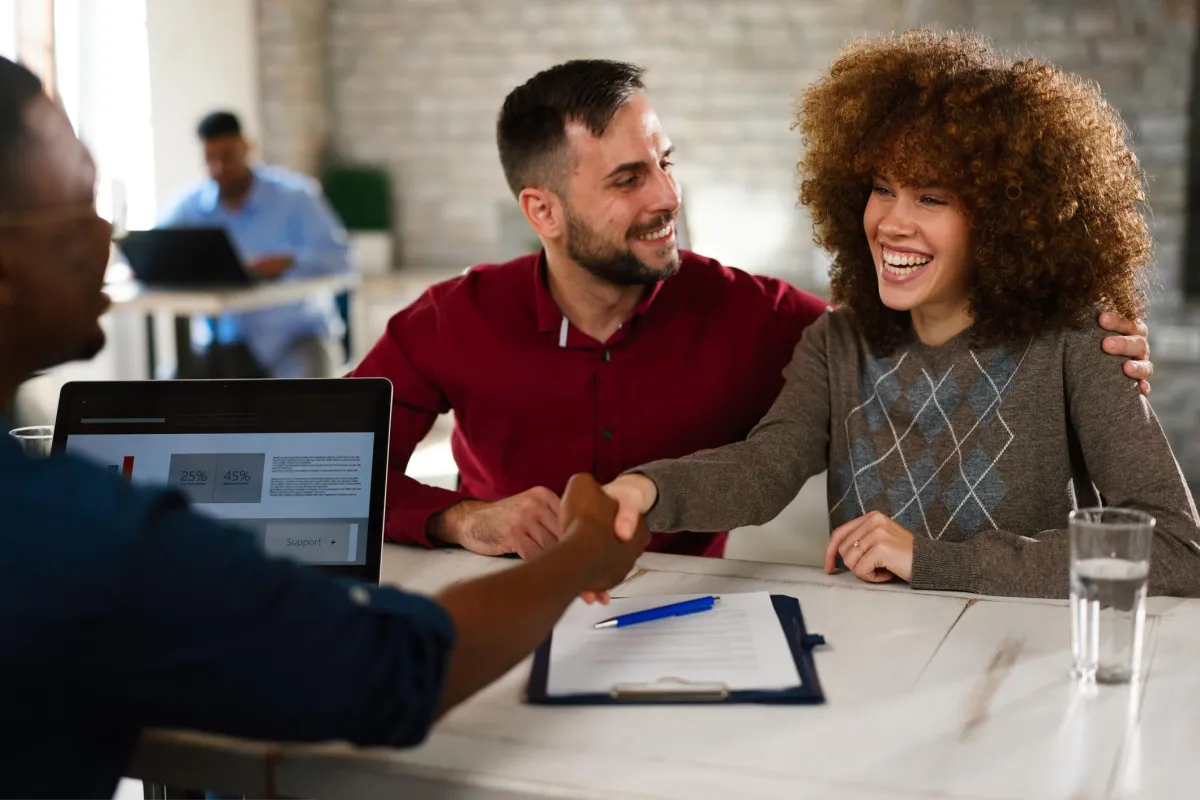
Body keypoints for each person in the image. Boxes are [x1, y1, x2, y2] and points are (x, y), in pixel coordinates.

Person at [0, 57, 650, 799]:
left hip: (291, 337)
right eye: (82, 204)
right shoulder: (75, 536)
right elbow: (390, 669)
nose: (107, 234)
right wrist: (580, 555)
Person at [349, 58, 1154, 563]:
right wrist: (459, 519)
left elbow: (917, 331)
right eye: (628, 180)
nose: (668, 197)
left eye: (665, 165)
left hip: (703, 626)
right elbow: (335, 470)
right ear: (543, 210)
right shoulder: (451, 320)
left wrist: (1088, 337)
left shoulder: (771, 318)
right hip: (513, 610)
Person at [601, 30, 1200, 599]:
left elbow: (1175, 548)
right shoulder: (839, 340)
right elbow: (764, 466)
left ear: (1002, 222)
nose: (891, 222)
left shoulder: (1077, 343)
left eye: (931, 198)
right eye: (883, 188)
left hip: (1022, 670)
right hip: (875, 665)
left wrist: (932, 560)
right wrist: (645, 489)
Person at [158, 110, 350, 378]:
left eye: (227, 156)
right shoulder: (192, 205)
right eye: (210, 159)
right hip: (224, 345)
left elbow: (341, 260)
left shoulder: (296, 197)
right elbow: (157, 247)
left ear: (247, 148)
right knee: (167, 390)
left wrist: (287, 263)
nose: (219, 168)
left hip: (295, 339)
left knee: (305, 400)